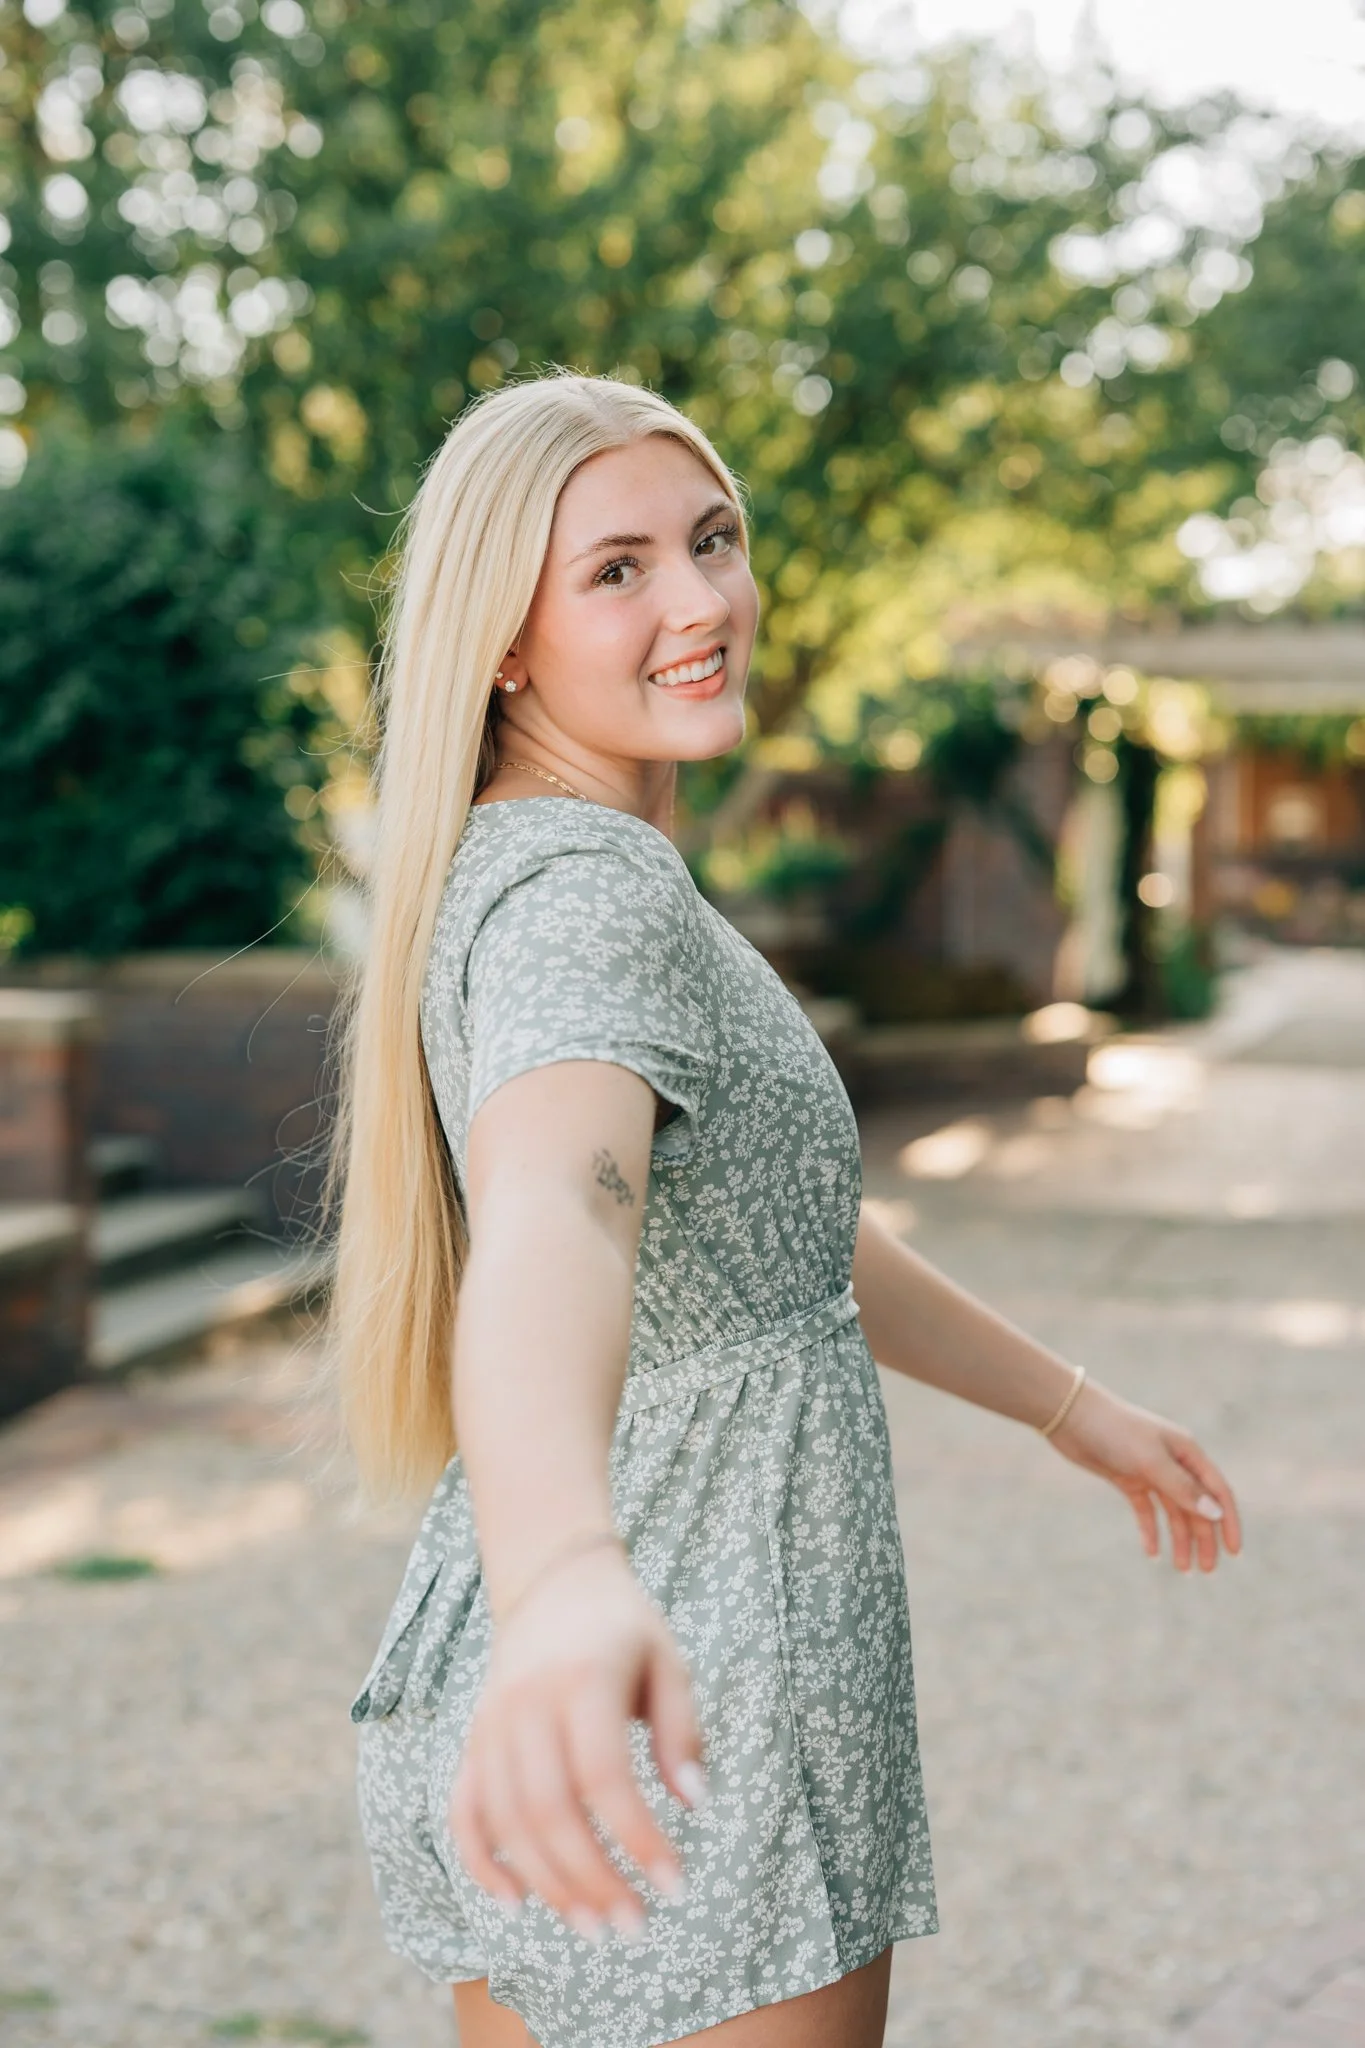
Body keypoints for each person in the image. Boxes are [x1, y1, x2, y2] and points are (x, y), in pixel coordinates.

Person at [331, 372, 1240, 2048]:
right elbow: (560, 1212)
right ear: (507, 641)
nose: (701, 601)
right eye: (616, 567)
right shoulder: (581, 900)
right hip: (686, 1683)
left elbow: (774, 1241)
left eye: (714, 539)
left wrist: (1070, 1407)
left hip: (590, 1682)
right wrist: (573, 1578)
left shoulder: (546, 861)